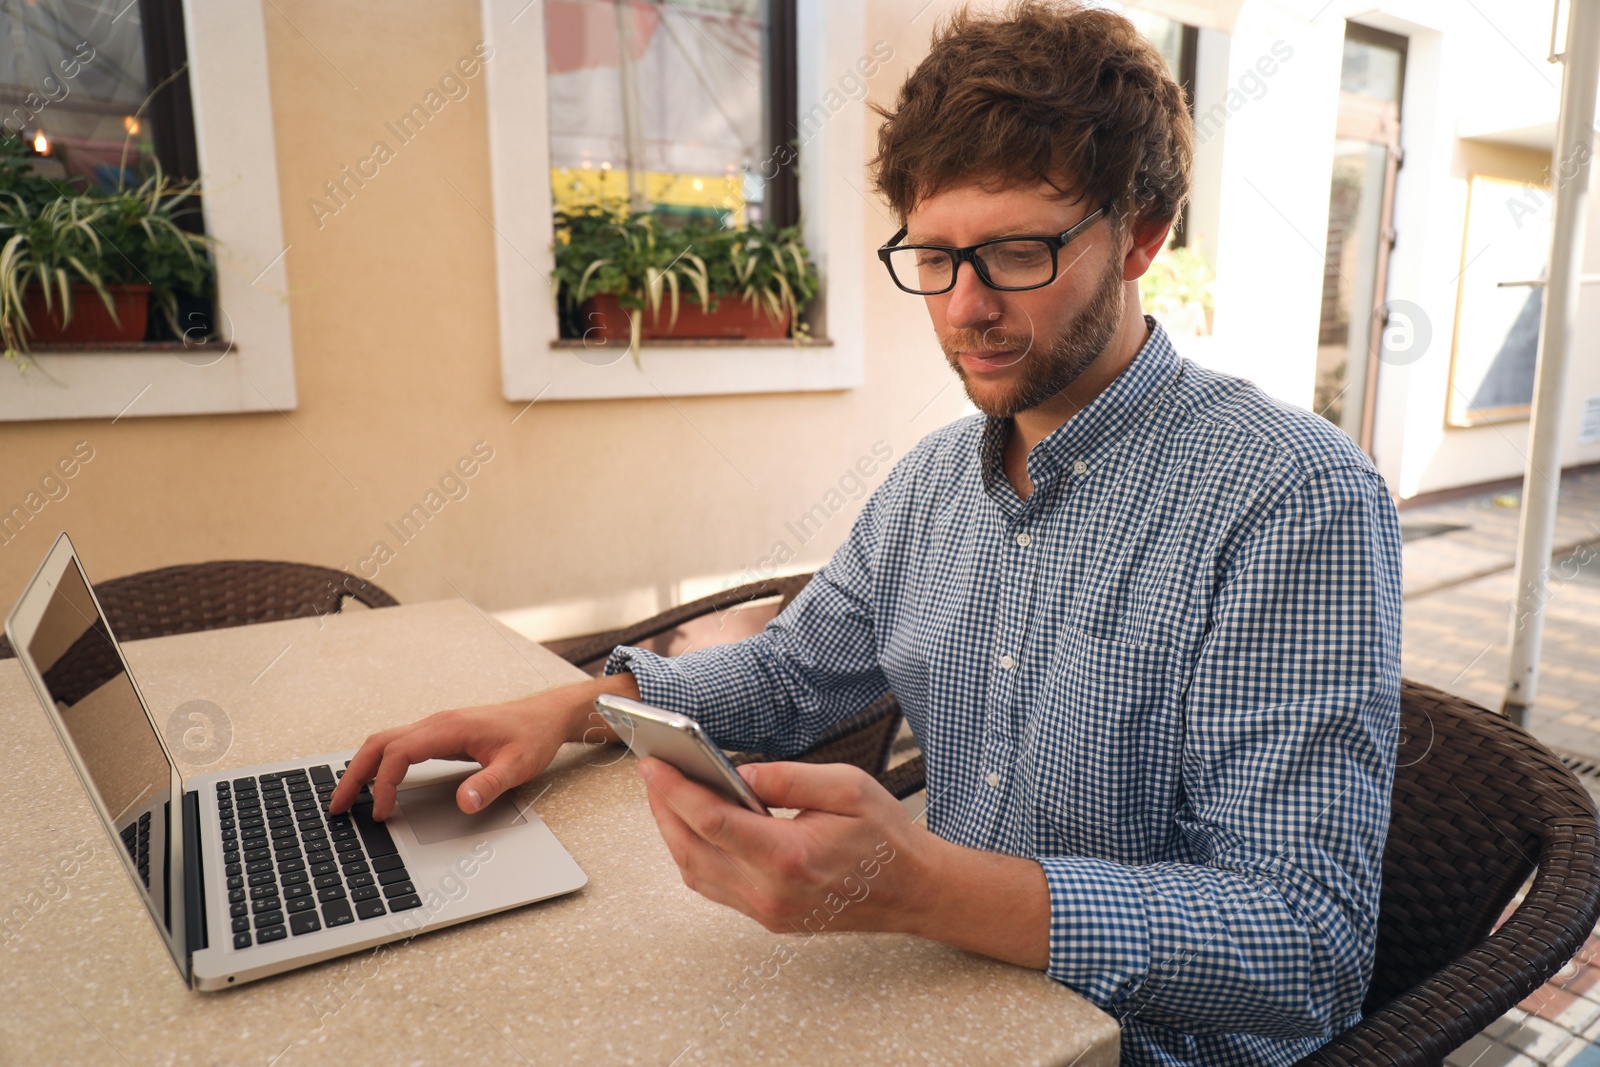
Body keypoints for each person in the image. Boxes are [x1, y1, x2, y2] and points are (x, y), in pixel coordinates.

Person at [330, 2, 1402, 1063]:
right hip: (949, 988)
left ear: (1143, 235)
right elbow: (797, 675)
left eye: (1014, 252)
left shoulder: (1292, 500)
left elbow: (1305, 941)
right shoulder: (935, 481)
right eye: (932, 256)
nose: (961, 309)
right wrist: (567, 706)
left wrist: (922, 884)